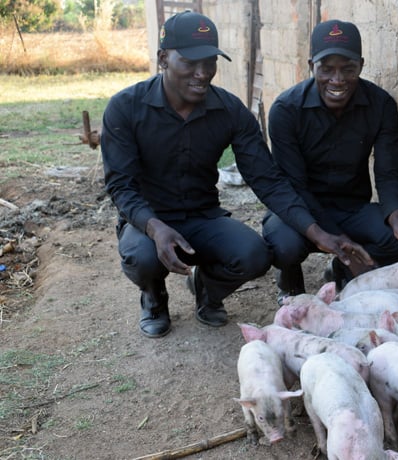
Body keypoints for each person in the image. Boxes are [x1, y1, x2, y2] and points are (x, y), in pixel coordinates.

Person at [100, 11, 321, 338]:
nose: (202, 73)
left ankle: (207, 290)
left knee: (254, 255)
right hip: (149, 220)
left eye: (210, 62)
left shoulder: (230, 111)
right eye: (190, 62)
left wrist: (314, 230)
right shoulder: (126, 108)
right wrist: (155, 227)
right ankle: (154, 297)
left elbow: (266, 179)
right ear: (163, 58)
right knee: (142, 256)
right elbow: (121, 185)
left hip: (203, 217)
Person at [263, 19, 398, 303]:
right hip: (301, 209)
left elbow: (387, 172)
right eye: (326, 69)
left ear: (361, 66)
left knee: (396, 242)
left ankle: (341, 270)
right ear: (311, 64)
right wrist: (338, 240)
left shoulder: (380, 105)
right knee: (283, 243)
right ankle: (290, 281)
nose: (337, 80)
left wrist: (397, 215)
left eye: (347, 69)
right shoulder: (286, 110)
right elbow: (295, 186)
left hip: (352, 207)